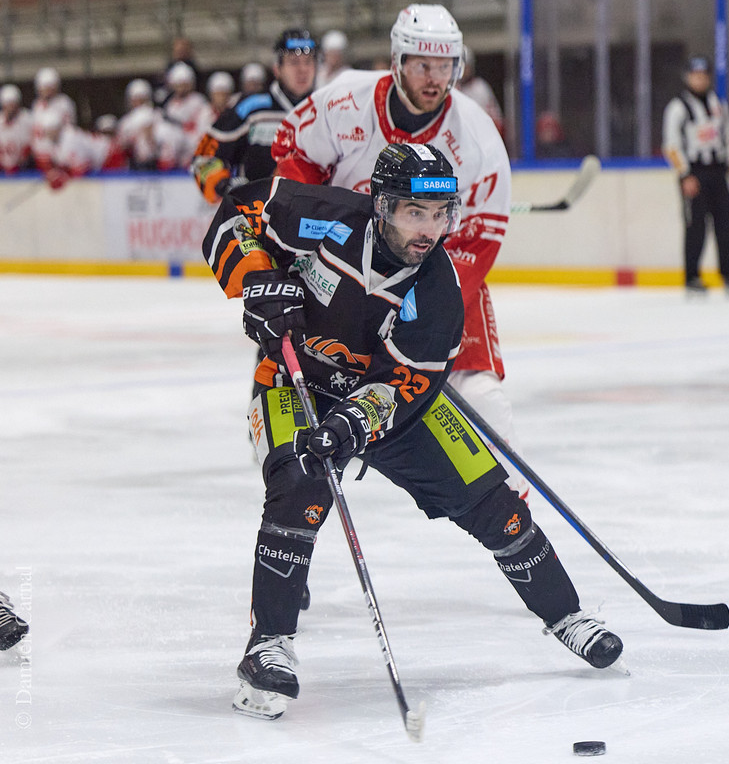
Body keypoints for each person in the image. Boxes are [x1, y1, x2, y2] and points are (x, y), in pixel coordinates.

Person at [202, 142, 623, 720]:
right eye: (414, 213)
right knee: (301, 483)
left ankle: (566, 615)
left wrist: (351, 423)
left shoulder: (440, 292)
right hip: (292, 381)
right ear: (381, 205)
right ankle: (268, 646)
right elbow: (235, 213)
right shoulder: (322, 216)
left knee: (492, 500)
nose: (429, 229)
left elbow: (404, 386)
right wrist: (257, 279)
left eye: (440, 214)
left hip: (390, 405)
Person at [272, 3, 528, 501]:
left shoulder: (477, 138)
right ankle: (293, 506)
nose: (434, 78)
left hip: (434, 274)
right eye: (422, 65)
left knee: (479, 390)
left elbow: (479, 238)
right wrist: (298, 250)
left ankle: (512, 513)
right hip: (346, 271)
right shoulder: (344, 101)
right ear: (397, 61)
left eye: (445, 66)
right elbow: (294, 160)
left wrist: (428, 311)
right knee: (308, 391)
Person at [192, 29, 319, 204]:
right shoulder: (252, 108)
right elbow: (204, 155)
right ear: (277, 69)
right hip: (257, 216)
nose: (302, 70)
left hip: (312, 216)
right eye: (294, 62)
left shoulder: (326, 109)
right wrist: (223, 184)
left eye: (308, 62)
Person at [662, 55, 729, 297]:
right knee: (695, 226)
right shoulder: (678, 107)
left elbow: (726, 136)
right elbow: (671, 146)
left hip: (717, 170)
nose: (699, 80)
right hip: (695, 172)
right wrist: (684, 175)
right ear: (687, 77)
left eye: (703, 76)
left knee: (725, 225)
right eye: (695, 75)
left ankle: (728, 274)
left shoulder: (718, 104)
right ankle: (692, 276)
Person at [30, 67, 77, 170]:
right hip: (40, 156)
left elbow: (69, 131)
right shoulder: (36, 105)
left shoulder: (64, 103)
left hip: (59, 156)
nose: (47, 91)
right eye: (44, 87)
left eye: (50, 87)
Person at [162, 62, 211, 155]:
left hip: (195, 145)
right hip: (176, 149)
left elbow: (203, 125)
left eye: (184, 84)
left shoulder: (198, 100)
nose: (182, 88)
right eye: (179, 85)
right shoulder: (170, 104)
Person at [458, 46, 504, 137]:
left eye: (466, 67)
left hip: (480, 136)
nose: (463, 71)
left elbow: (496, 123)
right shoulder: (453, 89)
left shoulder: (479, 88)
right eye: (460, 67)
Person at [0, 84, 33, 173]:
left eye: (13, 103)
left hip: (24, 165)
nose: (10, 107)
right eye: (8, 104)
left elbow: (32, 144)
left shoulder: (26, 118)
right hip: (3, 166)